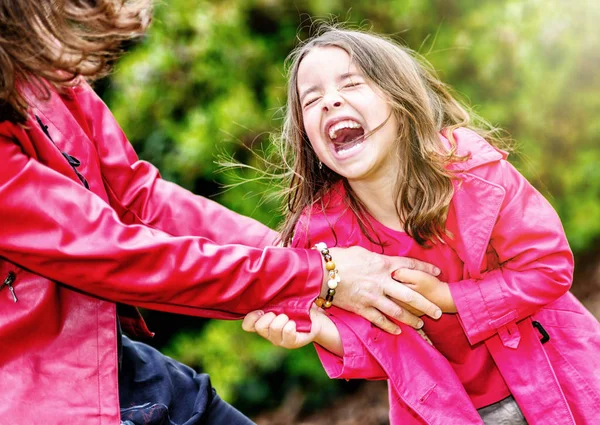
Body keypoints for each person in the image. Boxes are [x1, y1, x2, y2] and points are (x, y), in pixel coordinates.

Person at [0, 4, 446, 425]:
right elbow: (111, 252)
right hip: (41, 396)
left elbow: (140, 198)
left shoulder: (48, 75)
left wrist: (306, 256)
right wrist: (320, 276)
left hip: (113, 362)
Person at [242, 27, 600, 425]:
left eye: (351, 83)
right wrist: (318, 330)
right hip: (448, 412)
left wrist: (446, 296)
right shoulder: (325, 237)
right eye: (312, 99)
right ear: (310, 141)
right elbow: (386, 347)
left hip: (559, 380)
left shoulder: (472, 172)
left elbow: (548, 269)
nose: (331, 101)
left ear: (400, 99)